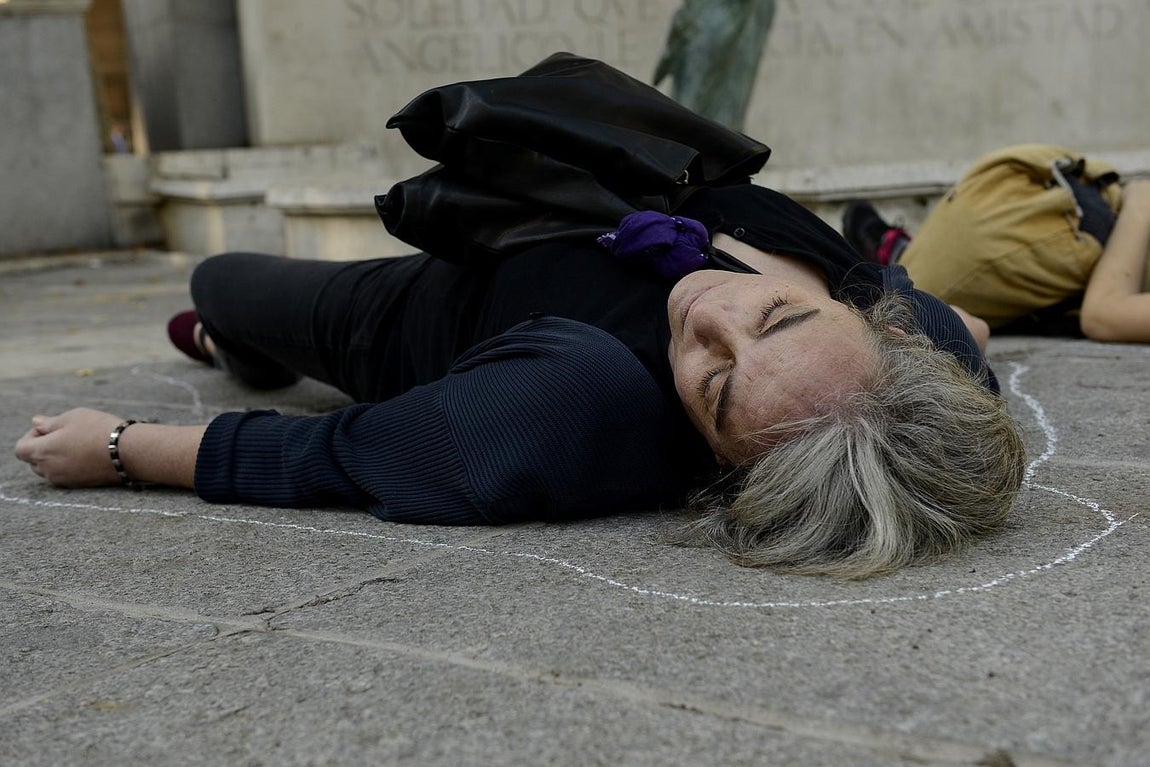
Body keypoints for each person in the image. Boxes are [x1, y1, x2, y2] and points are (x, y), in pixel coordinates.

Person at [13, 61, 1025, 580]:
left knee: (223, 278)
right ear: (882, 328)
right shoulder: (908, 345)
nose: (709, 316)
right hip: (536, 206)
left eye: (716, 386)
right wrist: (972, 335)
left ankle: (239, 342)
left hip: (414, 316)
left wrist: (117, 446)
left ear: (725, 461)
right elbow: (957, 337)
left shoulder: (568, 405)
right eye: (774, 315)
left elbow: (343, 451)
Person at [842, 144, 1150, 342]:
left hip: (1070, 237)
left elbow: (1105, 315)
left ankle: (897, 255)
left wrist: (1139, 204)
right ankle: (900, 253)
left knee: (937, 273)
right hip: (1066, 198)